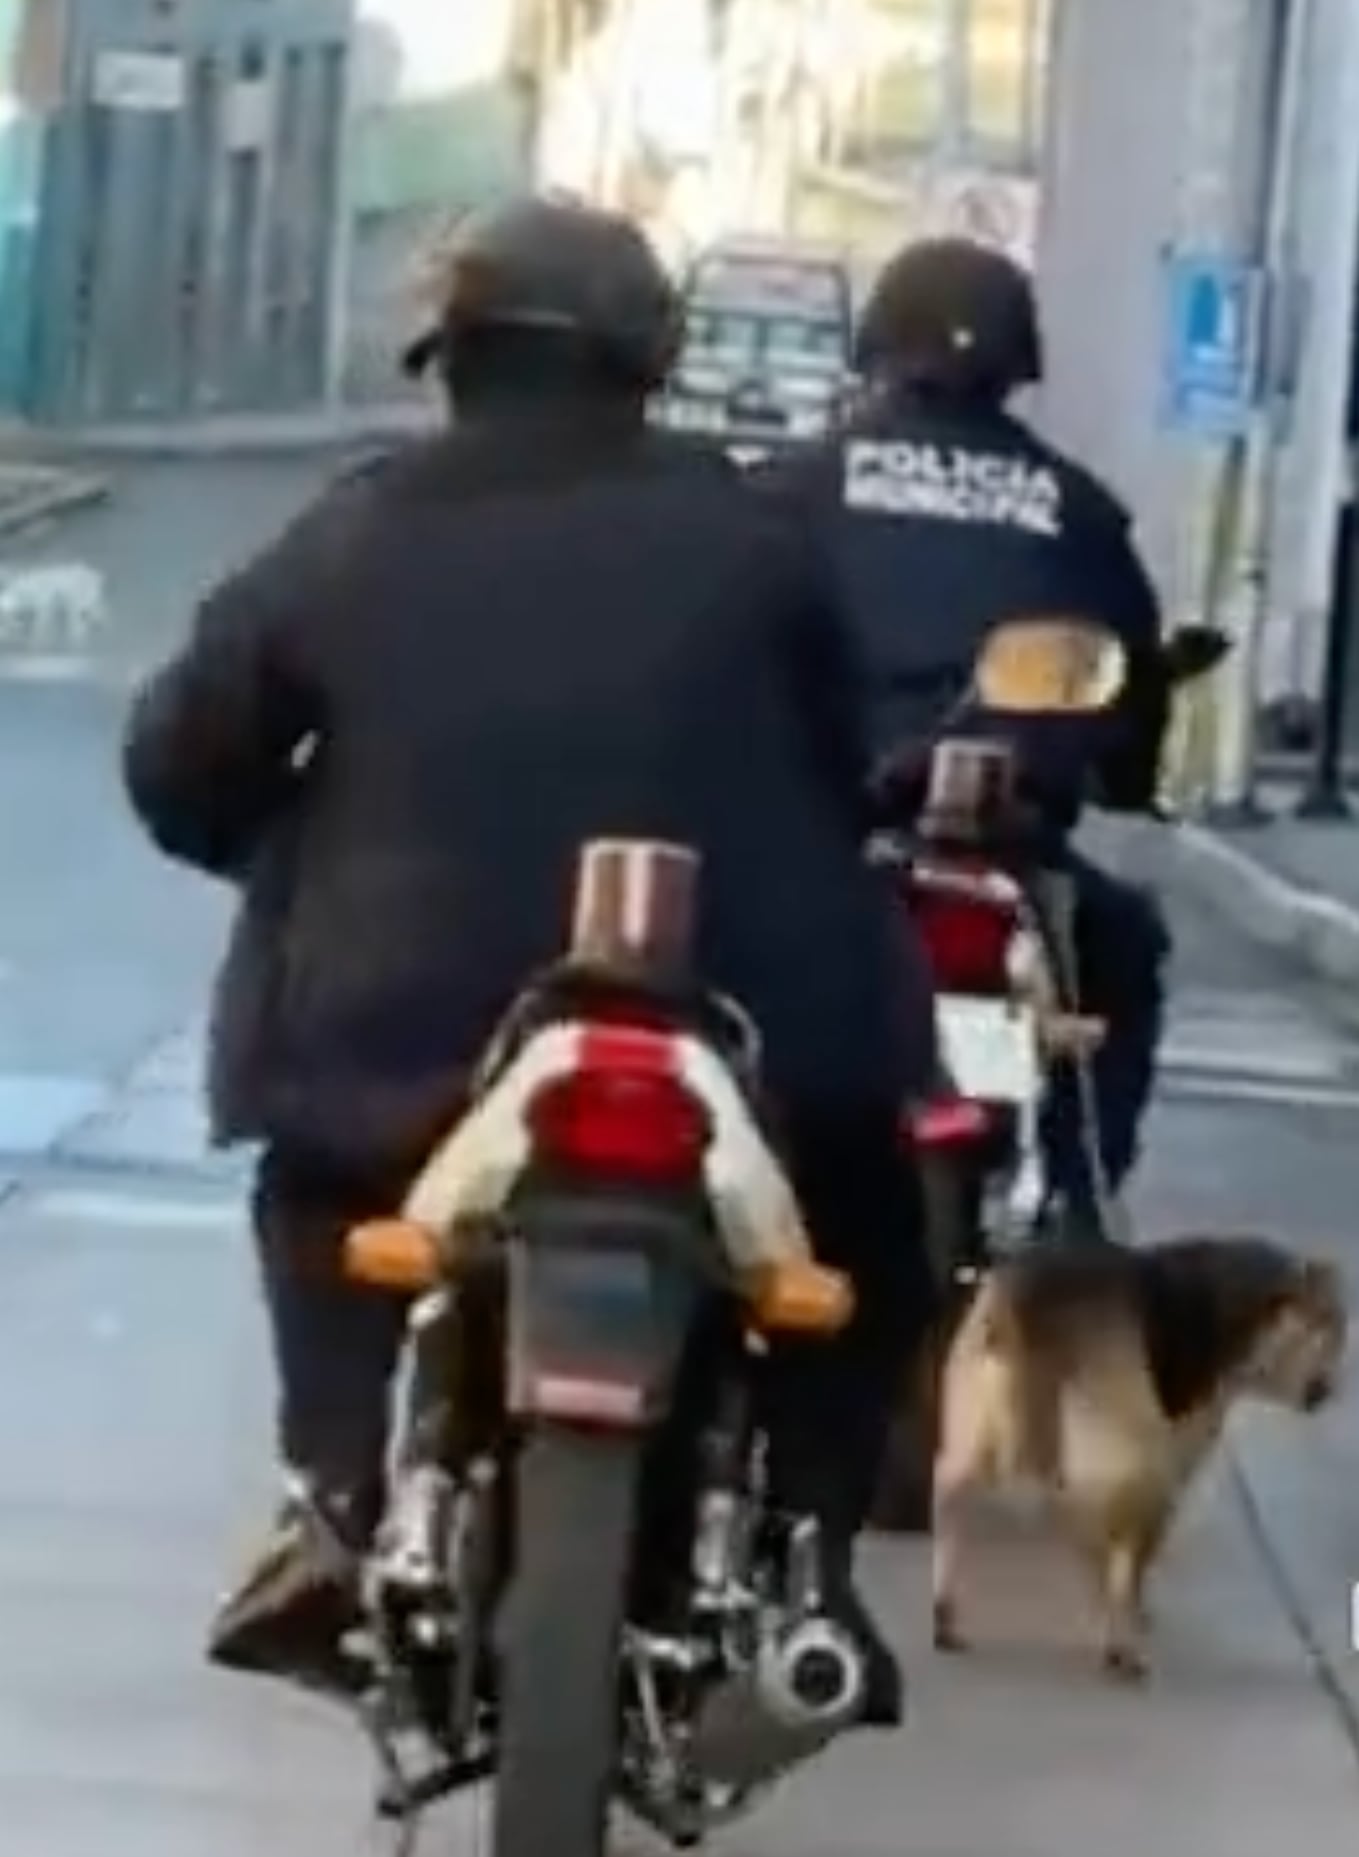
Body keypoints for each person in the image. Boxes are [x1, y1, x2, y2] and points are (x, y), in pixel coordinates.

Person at [121, 196, 937, 1724]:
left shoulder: (350, 533)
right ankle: (817, 1568)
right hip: (754, 1031)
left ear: (451, 357)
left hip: (395, 1035)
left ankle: (341, 1503)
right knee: (871, 1211)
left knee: (317, 1196)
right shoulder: (760, 540)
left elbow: (178, 764)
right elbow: (863, 761)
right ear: (649, 359)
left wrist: (288, 838)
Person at [763, 236, 1176, 1232]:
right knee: (1121, 946)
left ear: (875, 348)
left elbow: (730, 644)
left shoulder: (796, 489)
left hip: (830, 840)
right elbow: (1129, 676)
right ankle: (1078, 1207)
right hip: (1009, 849)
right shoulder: (1079, 512)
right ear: (1016, 361)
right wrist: (1124, 769)